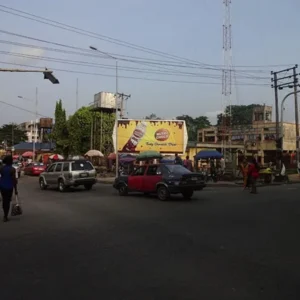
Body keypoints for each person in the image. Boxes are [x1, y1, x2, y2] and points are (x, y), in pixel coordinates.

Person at [0, 155, 18, 222]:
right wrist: (16, 190)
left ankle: (4, 211)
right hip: (9, 186)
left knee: (4, 200)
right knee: (7, 201)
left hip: (2, 186)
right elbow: (14, 180)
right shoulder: (12, 169)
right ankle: (5, 215)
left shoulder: (1, 168)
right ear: (11, 161)